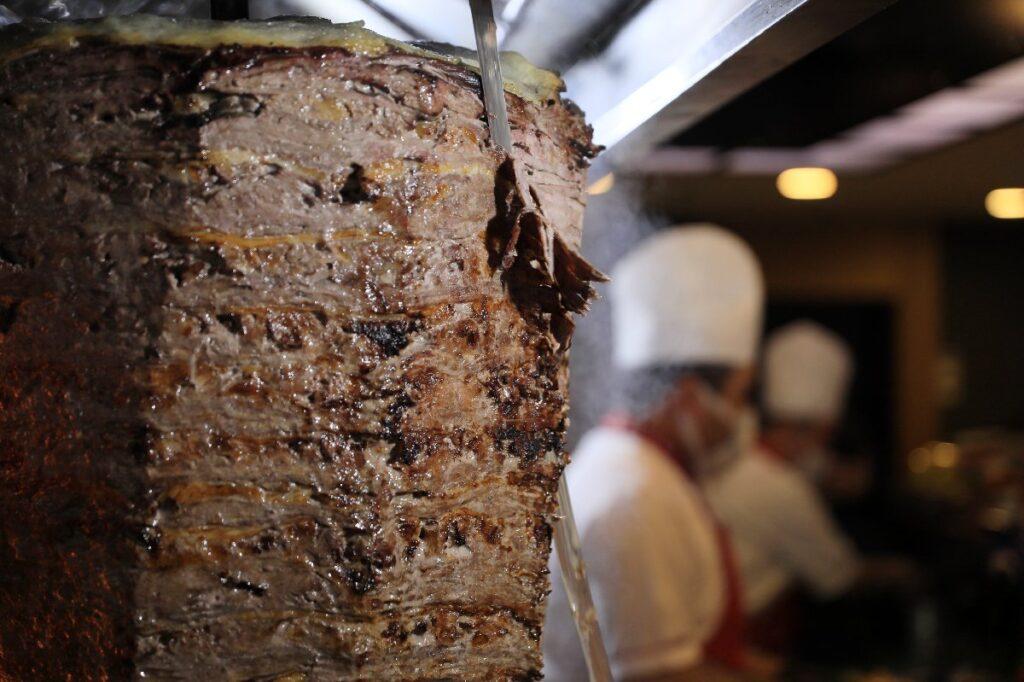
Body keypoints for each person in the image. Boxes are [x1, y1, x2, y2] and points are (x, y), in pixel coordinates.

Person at [544, 225, 766, 681]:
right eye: (740, 395)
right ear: (690, 396)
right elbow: (659, 676)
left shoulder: (627, 465)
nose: (741, 418)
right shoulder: (637, 496)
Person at [704, 321, 863, 630]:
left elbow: (816, 467)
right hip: (750, 634)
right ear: (823, 429)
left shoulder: (735, 456)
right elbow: (837, 577)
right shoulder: (785, 489)